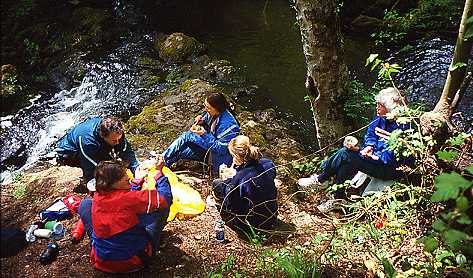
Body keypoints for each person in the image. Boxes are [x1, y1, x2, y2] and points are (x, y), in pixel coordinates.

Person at [298, 87, 413, 212]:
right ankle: (338, 198)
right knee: (347, 161)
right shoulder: (380, 118)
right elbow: (370, 135)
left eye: (380, 105)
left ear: (390, 108)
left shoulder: (402, 127)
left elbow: (392, 157)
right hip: (375, 158)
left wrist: (375, 156)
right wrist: (369, 147)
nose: (377, 107)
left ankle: (322, 179)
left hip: (389, 169)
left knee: (347, 155)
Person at [77, 159, 172, 273]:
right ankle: (146, 250)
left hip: (101, 260)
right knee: (162, 207)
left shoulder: (98, 194)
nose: (128, 177)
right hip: (135, 260)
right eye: (123, 176)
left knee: (85, 204)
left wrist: (137, 182)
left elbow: (122, 200)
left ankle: (104, 247)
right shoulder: (130, 200)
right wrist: (158, 174)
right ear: (112, 183)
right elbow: (165, 198)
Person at [212, 135, 278, 233]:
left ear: (237, 157)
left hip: (251, 224)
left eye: (233, 156)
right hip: (271, 216)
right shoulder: (268, 164)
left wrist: (227, 181)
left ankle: (218, 206)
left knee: (216, 183)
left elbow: (231, 206)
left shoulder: (240, 178)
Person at [162, 92, 240, 173]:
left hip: (217, 158)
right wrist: (202, 121)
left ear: (217, 108)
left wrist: (204, 134)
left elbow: (221, 149)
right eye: (205, 106)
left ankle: (160, 158)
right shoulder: (213, 112)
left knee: (187, 136)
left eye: (208, 107)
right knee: (179, 151)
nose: (206, 109)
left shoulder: (229, 125)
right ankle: (162, 166)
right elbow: (207, 119)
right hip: (209, 149)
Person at [55, 116, 139, 190]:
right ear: (103, 136)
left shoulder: (115, 130)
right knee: (106, 171)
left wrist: (135, 168)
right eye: (114, 140)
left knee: (113, 160)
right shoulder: (88, 141)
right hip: (69, 153)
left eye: (119, 139)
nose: (117, 142)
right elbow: (92, 165)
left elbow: (126, 150)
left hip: (97, 143)